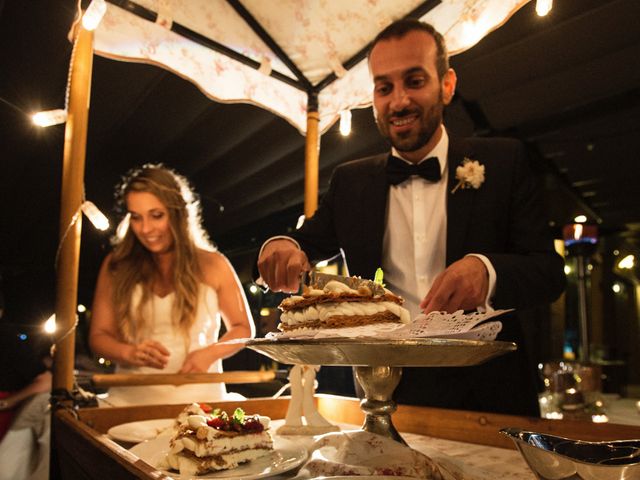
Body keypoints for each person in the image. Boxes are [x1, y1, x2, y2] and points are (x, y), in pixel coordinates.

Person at [257, 19, 566, 416]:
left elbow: (548, 273)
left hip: (492, 395)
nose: (399, 101)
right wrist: (282, 246)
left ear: (447, 84)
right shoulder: (351, 182)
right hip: (384, 393)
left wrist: (486, 271)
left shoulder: (505, 161)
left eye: (414, 81)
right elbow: (304, 243)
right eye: (384, 87)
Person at [89, 164, 255, 406]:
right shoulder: (116, 265)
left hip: (199, 400)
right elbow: (98, 336)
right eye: (136, 217)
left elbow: (243, 329)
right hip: (130, 399)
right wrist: (129, 353)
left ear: (177, 213)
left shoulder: (213, 264)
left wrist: (208, 354)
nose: (145, 229)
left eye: (156, 215)